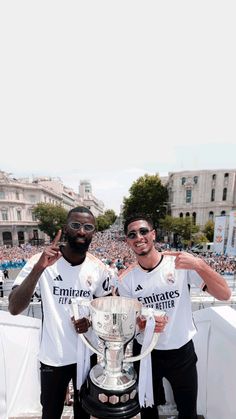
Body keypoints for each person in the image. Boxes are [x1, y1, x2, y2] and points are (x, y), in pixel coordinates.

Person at [117, 213, 231, 419]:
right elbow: (128, 324)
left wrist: (199, 264)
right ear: (128, 241)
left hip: (182, 352)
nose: (139, 237)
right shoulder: (127, 280)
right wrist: (142, 324)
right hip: (146, 354)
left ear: (153, 234)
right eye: (132, 234)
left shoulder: (179, 264)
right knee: (147, 411)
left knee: (188, 412)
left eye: (143, 231)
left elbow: (224, 294)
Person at [8, 206, 112, 419]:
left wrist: (91, 321)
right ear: (65, 228)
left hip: (86, 355)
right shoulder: (41, 261)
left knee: (84, 414)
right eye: (75, 225)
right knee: (51, 413)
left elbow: (106, 309)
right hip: (52, 357)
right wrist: (39, 268)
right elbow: (14, 308)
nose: (81, 231)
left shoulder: (99, 269)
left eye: (88, 227)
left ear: (94, 232)